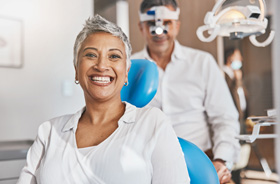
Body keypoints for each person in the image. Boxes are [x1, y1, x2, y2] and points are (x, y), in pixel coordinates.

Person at [17, 15, 190, 184]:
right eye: (91, 55)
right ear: (76, 69)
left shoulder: (152, 122)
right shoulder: (49, 132)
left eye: (114, 56)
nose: (101, 66)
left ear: (126, 72)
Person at [131, 0, 240, 183]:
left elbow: (225, 118)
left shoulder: (202, 63)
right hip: (146, 167)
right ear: (141, 27)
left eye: (167, 23)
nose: (160, 31)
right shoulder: (128, 68)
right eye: (152, 24)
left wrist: (221, 160)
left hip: (202, 163)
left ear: (177, 25)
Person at [223, 48, 248, 132]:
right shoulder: (224, 74)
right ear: (230, 58)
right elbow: (230, 93)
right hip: (231, 117)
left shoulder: (236, 74)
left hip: (240, 116)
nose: (241, 59)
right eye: (238, 56)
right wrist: (237, 80)